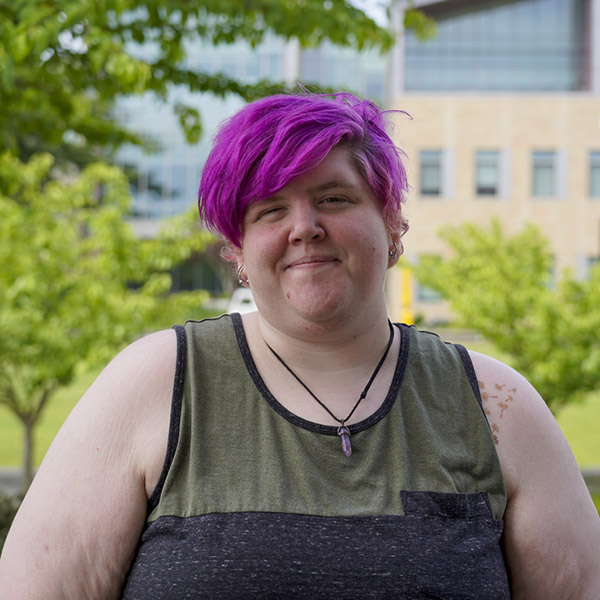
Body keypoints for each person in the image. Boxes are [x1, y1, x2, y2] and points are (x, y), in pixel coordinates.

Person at [1, 92, 599, 600]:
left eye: (334, 199)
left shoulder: (497, 405)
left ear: (391, 222)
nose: (304, 227)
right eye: (270, 210)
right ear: (237, 250)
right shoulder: (154, 384)